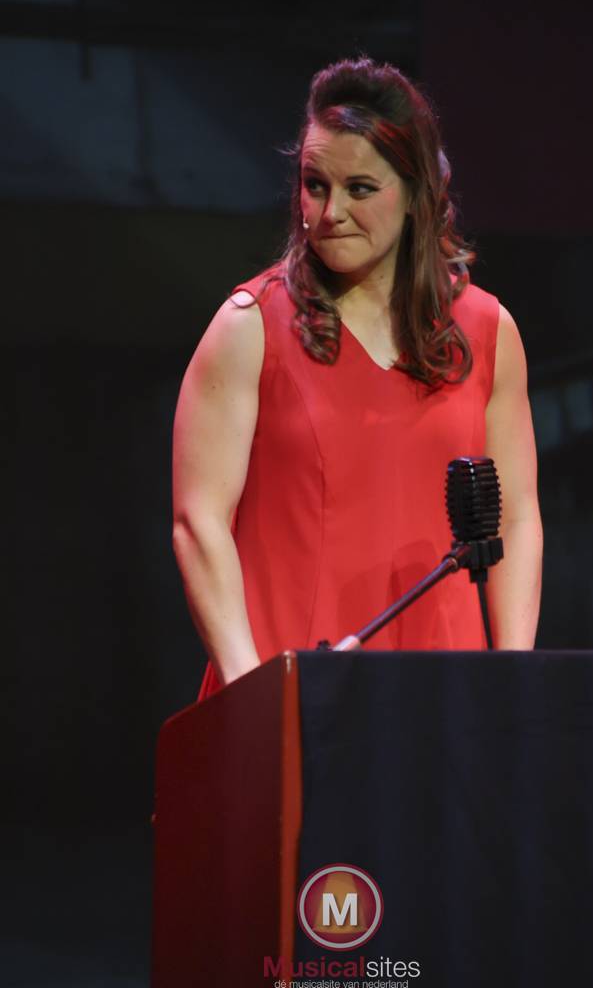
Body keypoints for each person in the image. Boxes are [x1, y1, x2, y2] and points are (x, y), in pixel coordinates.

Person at [172, 57, 543, 700]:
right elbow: (198, 521)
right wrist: (251, 693)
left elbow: (516, 519)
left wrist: (513, 683)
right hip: (293, 694)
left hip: (448, 696)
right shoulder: (250, 327)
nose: (330, 211)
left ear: (416, 192)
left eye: (360, 188)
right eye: (315, 185)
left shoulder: (487, 331)